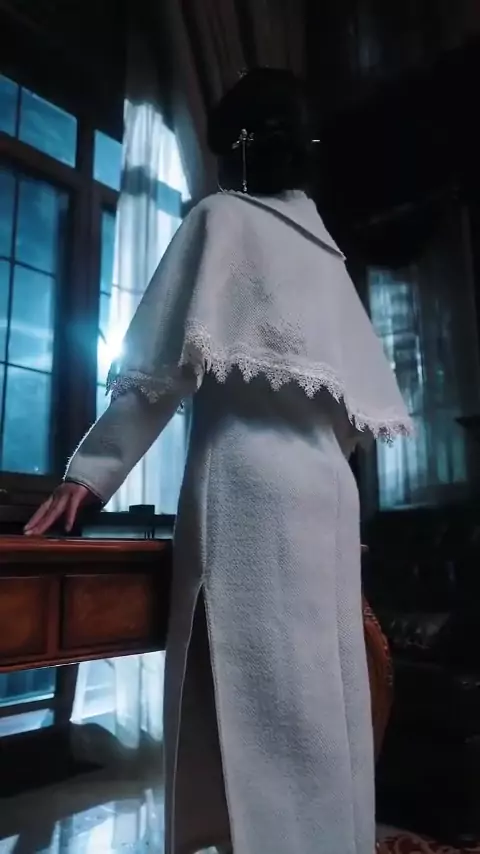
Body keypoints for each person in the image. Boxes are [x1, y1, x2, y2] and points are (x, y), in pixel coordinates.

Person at [25, 69, 411, 854]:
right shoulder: (329, 258)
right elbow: (352, 417)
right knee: (322, 692)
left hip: (251, 484)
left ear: (234, 150)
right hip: (328, 494)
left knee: (257, 689)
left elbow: (154, 377)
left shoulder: (219, 220)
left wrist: (87, 475)